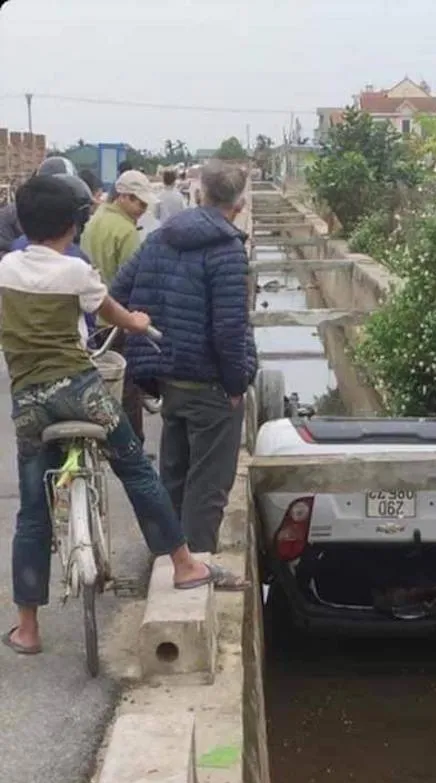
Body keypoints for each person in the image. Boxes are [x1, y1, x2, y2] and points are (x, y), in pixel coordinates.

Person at [0, 176, 245, 655]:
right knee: (135, 467)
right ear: (73, 224)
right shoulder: (75, 271)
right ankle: (183, 563)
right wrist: (136, 322)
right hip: (80, 391)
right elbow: (113, 313)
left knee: (32, 511)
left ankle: (27, 628)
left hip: (28, 400)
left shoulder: (5, 269)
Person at [112, 160, 256, 556]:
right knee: (208, 484)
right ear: (239, 202)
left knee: (174, 474)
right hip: (210, 385)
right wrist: (234, 385)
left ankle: (168, 559)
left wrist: (157, 325)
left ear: (199, 194)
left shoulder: (160, 238)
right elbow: (229, 329)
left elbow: (117, 292)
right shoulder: (227, 249)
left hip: (167, 377)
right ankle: (198, 569)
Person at [81, 169, 155, 446]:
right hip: (118, 321)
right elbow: (136, 282)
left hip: (92, 320)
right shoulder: (126, 232)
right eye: (139, 203)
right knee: (128, 389)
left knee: (99, 386)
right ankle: (132, 447)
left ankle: (101, 441)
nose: (142, 210)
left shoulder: (94, 220)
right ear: (123, 197)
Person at [11, 173, 97, 337]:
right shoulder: (75, 260)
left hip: (18, 351)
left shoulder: (15, 251)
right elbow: (92, 314)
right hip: (67, 354)